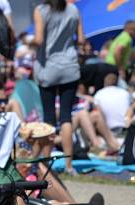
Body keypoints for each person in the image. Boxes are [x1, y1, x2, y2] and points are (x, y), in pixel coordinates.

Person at [32, 0, 84, 175]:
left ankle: (46, 165)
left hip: (48, 68)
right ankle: (69, 165)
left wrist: (27, 41)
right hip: (69, 66)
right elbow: (82, 39)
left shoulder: (41, 10)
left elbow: (38, 40)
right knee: (66, 118)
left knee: (48, 119)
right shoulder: (73, 9)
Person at [92, 65, 129, 135]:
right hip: (124, 127)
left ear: (104, 81)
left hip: (106, 128)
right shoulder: (125, 93)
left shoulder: (99, 94)